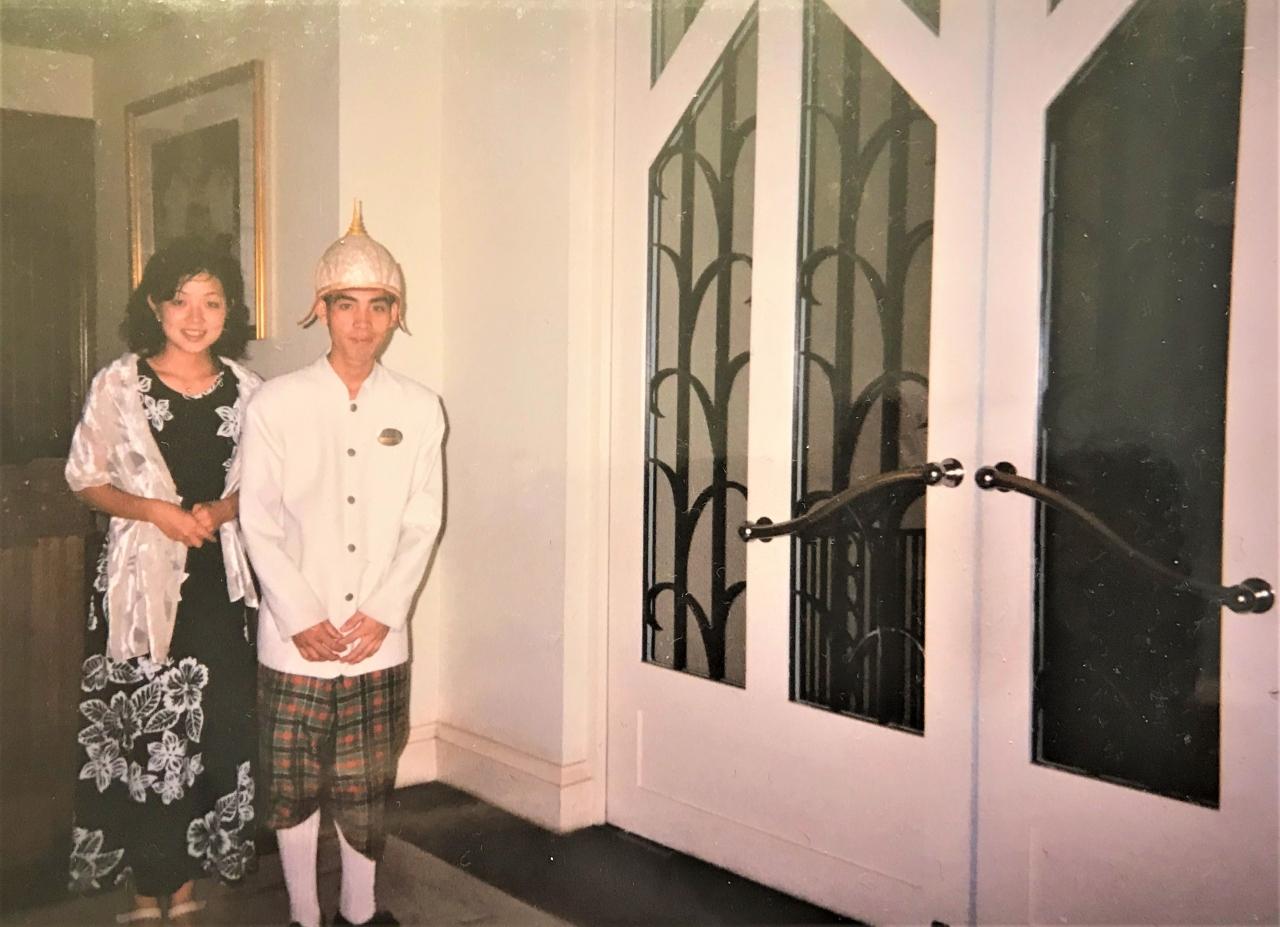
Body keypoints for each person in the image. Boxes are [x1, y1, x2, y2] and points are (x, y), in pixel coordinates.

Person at [239, 204, 445, 927]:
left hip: (376, 638)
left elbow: (422, 521)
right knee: (292, 782)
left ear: (396, 315)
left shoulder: (420, 408)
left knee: (367, 782)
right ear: (321, 310)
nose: (362, 321)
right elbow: (258, 519)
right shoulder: (276, 403)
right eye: (346, 304)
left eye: (378, 305)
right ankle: (304, 913)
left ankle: (361, 910)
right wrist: (298, 615)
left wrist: (384, 611)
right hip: (294, 636)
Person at [65, 239, 262, 925]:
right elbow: (84, 478)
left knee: (210, 733)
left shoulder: (249, 390)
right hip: (139, 586)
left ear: (230, 310)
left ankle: (186, 887)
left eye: (212, 302)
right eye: (180, 300)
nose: (196, 317)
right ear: (154, 305)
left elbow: (269, 484)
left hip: (216, 584)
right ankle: (147, 890)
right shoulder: (118, 384)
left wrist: (221, 510)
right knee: (145, 735)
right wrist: (154, 510)